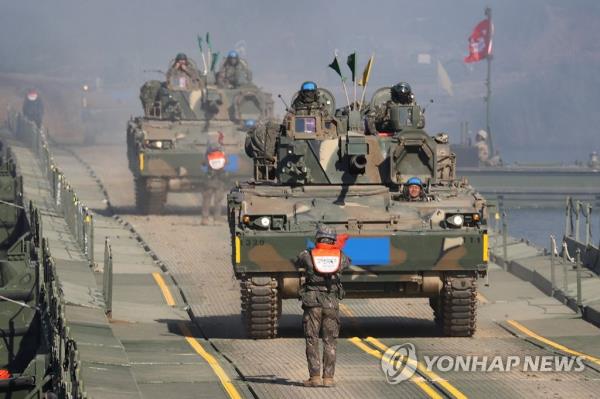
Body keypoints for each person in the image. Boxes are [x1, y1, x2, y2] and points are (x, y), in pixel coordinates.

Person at [296, 225, 350, 388]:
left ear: (318, 238)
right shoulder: (340, 256)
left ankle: (314, 377)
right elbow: (346, 264)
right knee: (330, 340)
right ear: (333, 239)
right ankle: (328, 378)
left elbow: (298, 260)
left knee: (312, 339)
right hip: (331, 302)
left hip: (312, 302)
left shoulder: (307, 255)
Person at [201, 141, 227, 224]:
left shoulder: (208, 156)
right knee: (218, 200)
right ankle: (216, 218)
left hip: (209, 181)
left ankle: (205, 218)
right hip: (219, 181)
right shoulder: (222, 156)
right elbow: (226, 163)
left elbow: (203, 164)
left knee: (207, 200)